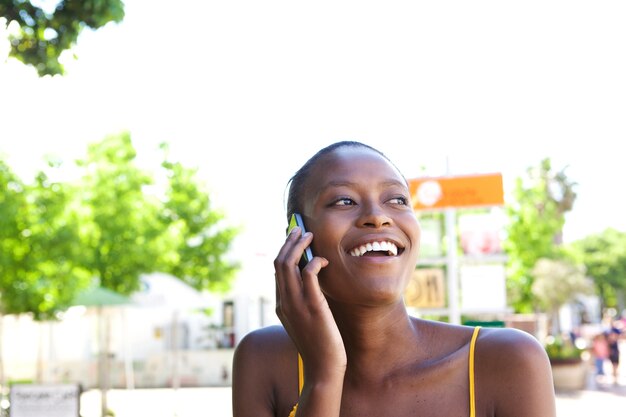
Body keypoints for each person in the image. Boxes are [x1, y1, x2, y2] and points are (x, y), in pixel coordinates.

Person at [232, 141, 556, 417]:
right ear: (298, 237)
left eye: (397, 199)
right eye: (344, 200)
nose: (378, 216)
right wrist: (324, 376)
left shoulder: (507, 360)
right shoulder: (263, 359)